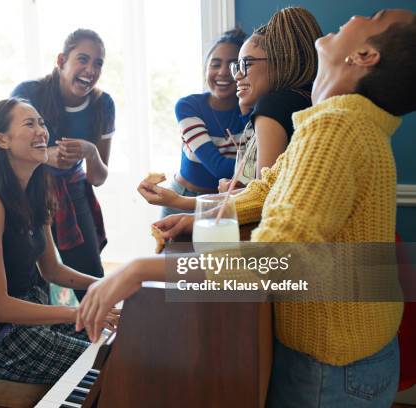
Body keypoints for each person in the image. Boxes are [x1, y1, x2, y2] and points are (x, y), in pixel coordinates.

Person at [78, 9, 416, 407]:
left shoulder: (336, 127)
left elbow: (276, 260)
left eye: (373, 17)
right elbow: (269, 188)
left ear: (363, 56)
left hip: (331, 368)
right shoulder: (340, 121)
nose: (358, 14)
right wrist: (195, 213)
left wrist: (139, 269)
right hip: (358, 350)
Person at [0, 98, 118, 384]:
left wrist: (106, 284)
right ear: (1, 140)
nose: (42, 131)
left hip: (37, 314)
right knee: (111, 365)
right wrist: (77, 312)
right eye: (29, 124)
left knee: (124, 336)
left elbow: (52, 271)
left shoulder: (37, 192)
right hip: (1, 334)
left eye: (42, 123)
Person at [139, 7, 321, 210]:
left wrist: (178, 201)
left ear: (280, 60)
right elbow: (270, 187)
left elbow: (261, 197)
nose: (234, 75)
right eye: (217, 64)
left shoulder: (271, 106)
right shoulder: (309, 99)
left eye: (245, 64)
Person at [11, 29, 114, 301]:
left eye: (98, 63)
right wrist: (46, 155)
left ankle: (104, 336)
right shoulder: (27, 93)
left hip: (72, 190)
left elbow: (98, 178)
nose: (90, 70)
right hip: (26, 191)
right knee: (30, 276)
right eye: (83, 59)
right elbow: (7, 150)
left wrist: (91, 152)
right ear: (61, 60)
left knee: (91, 275)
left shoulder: (103, 105)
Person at [158, 28, 247, 217]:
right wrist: (252, 169)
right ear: (206, 68)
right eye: (215, 64)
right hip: (180, 201)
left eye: (233, 65)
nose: (222, 72)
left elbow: (254, 170)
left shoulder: (251, 112)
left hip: (223, 203)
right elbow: (218, 167)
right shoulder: (189, 106)